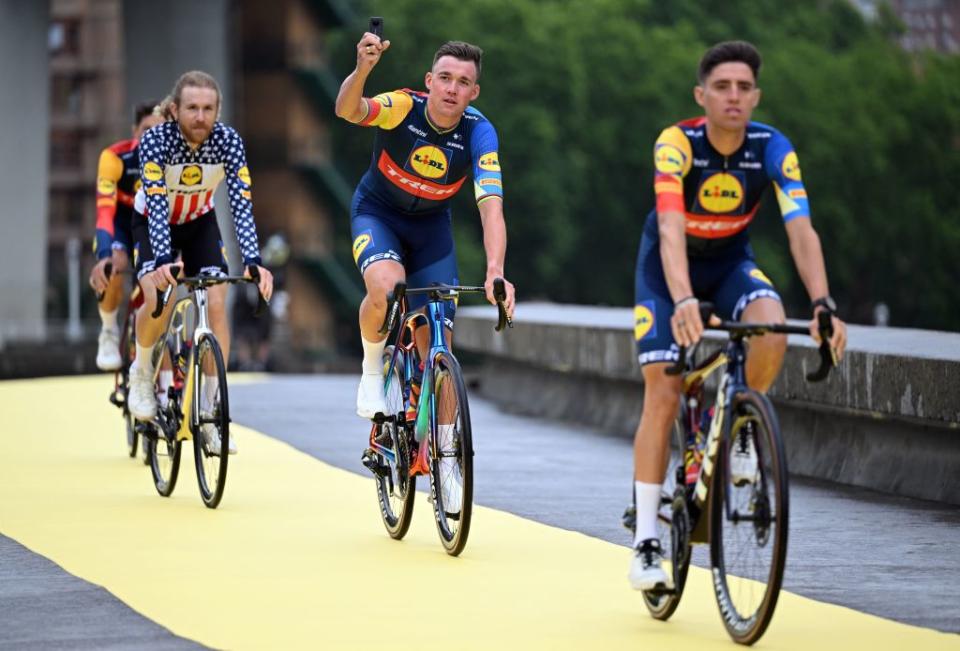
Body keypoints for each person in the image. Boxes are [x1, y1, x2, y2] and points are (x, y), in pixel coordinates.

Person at [628, 41, 847, 589]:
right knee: (663, 390)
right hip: (666, 272)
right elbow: (671, 226)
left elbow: (801, 229)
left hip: (729, 265)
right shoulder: (677, 143)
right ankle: (647, 543)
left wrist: (823, 304)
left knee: (771, 323)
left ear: (756, 96)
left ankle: (742, 427)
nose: (733, 96)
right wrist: (681, 300)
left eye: (743, 88)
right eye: (721, 87)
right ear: (702, 95)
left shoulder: (772, 146)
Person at [334, 34, 517, 435]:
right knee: (386, 288)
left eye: (463, 83)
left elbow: (491, 207)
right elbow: (348, 110)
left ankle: (446, 450)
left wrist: (495, 270)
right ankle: (370, 371)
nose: (452, 89)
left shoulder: (479, 132)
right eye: (445, 78)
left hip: (431, 228)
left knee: (438, 343)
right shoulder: (402, 107)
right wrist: (364, 69)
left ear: (474, 91)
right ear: (429, 80)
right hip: (378, 214)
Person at [126, 70, 273, 455]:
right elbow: (156, 204)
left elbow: (241, 203)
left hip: (199, 224)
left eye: (208, 109)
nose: (200, 117)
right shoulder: (156, 140)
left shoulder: (228, 141)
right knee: (158, 297)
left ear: (217, 110)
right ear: (174, 110)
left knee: (218, 303)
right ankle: (142, 372)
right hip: (153, 223)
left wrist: (253, 261)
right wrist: (161, 261)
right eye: (192, 108)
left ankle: (210, 411)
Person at [88, 101, 163, 370]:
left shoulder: (175, 161)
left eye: (160, 130)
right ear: (134, 131)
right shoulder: (115, 158)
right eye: (146, 130)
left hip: (153, 227)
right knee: (114, 266)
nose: (151, 137)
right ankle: (109, 330)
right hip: (121, 225)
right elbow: (105, 212)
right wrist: (105, 255)